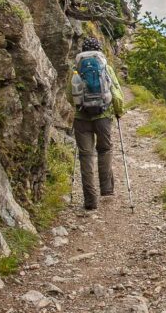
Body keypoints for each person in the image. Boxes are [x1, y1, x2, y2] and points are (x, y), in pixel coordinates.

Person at [67, 37, 124, 210]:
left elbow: (70, 96)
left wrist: (80, 107)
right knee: (105, 150)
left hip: (81, 118)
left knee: (86, 156)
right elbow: (116, 93)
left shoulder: (75, 69)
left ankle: (90, 201)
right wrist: (118, 111)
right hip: (103, 116)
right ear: (99, 50)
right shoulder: (105, 67)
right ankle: (106, 189)